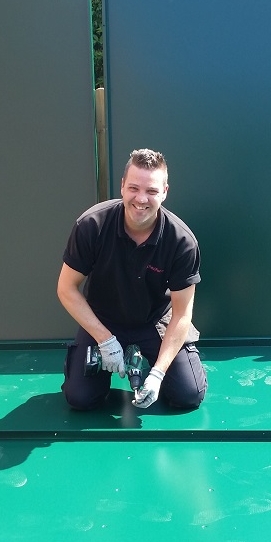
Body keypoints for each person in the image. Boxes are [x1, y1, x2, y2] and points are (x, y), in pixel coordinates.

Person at [57, 148, 207, 410]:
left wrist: (158, 373)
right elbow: (66, 289)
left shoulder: (182, 241)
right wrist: (105, 339)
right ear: (123, 186)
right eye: (134, 188)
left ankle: (151, 367)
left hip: (155, 321)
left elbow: (182, 315)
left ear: (165, 192)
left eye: (151, 191)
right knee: (79, 399)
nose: (141, 199)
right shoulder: (91, 225)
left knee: (188, 395)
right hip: (103, 320)